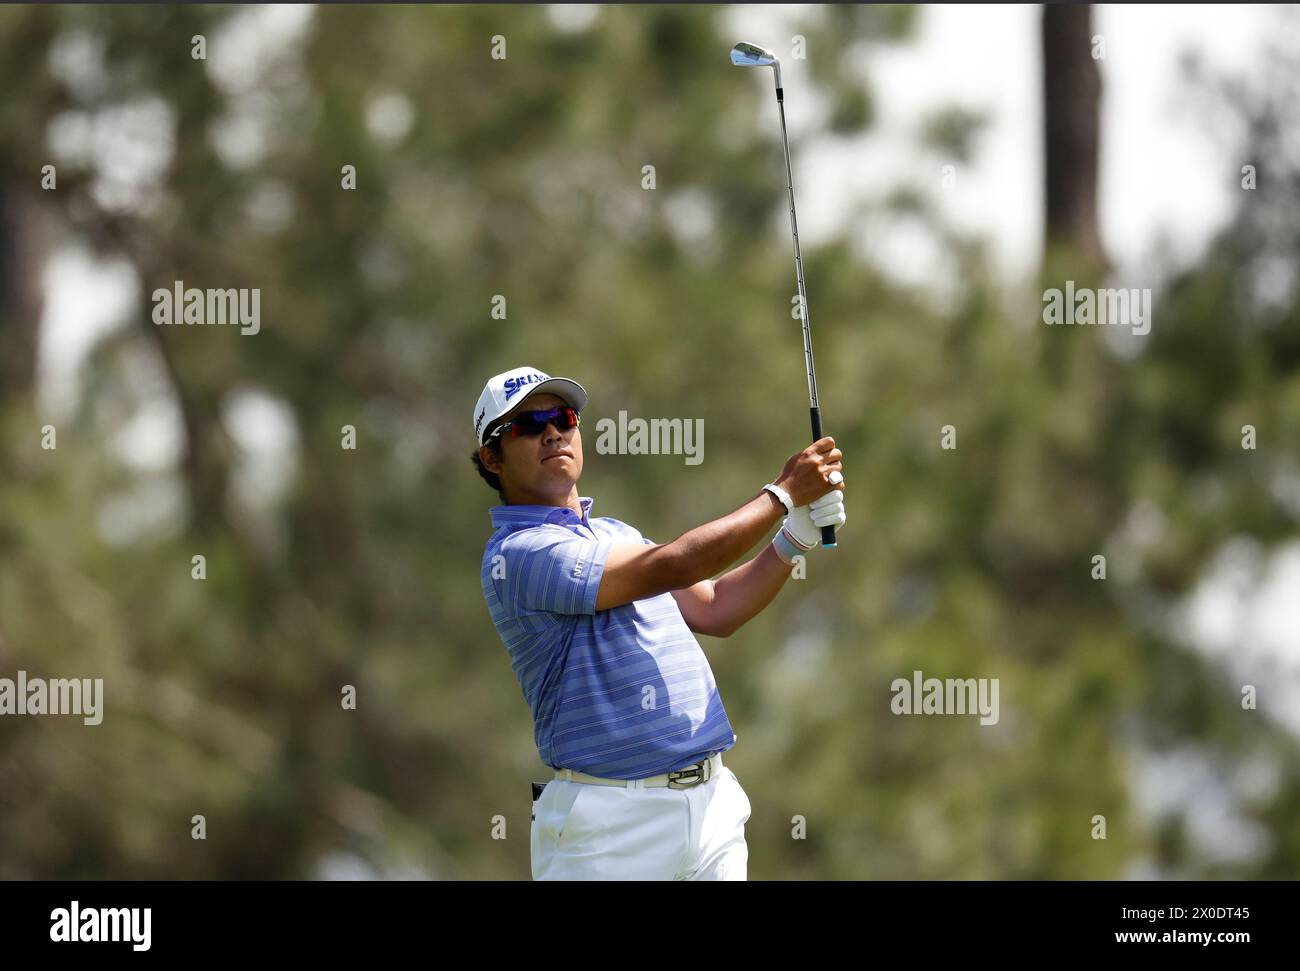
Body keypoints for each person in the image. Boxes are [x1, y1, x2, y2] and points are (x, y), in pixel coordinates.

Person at [471, 365, 846, 880]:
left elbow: (714, 606)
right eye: (527, 425)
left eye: (562, 416)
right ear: (491, 457)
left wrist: (794, 536)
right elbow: (675, 565)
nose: (553, 431)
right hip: (609, 827)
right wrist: (781, 495)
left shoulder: (613, 532)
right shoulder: (516, 555)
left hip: (711, 808)